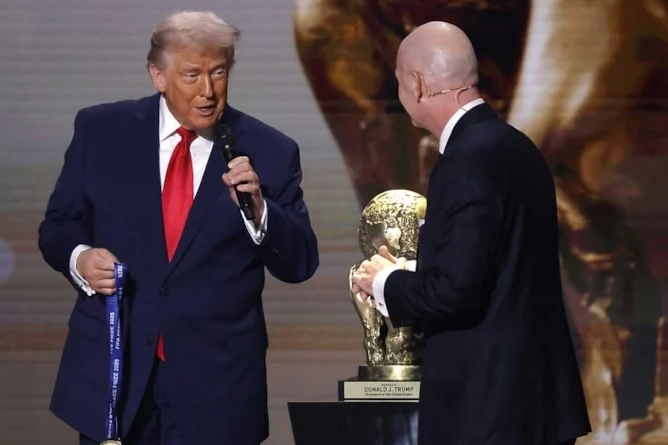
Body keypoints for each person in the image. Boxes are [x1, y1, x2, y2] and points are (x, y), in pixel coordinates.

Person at [37, 10, 319, 445]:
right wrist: (80, 259)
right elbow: (58, 226)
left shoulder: (270, 150)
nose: (208, 91)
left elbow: (300, 263)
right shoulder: (102, 132)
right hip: (117, 376)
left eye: (218, 72)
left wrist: (260, 211)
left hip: (217, 388)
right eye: (192, 75)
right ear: (158, 75)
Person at [352, 21, 591, 445]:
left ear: (417, 84)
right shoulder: (516, 146)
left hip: (490, 410)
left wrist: (383, 281)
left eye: (399, 83)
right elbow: (497, 269)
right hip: (533, 403)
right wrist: (413, 271)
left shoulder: (467, 160)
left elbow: (455, 292)